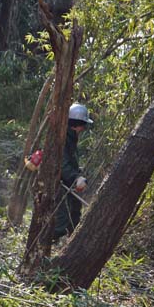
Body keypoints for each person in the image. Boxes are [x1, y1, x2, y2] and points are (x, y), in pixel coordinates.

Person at [53, 102, 92, 242]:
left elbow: (69, 162)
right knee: (61, 222)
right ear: (76, 123)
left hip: (67, 184)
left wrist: (78, 173)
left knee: (74, 217)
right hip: (59, 185)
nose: (83, 128)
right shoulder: (63, 138)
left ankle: (70, 244)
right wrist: (76, 178)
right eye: (83, 125)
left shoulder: (71, 138)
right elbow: (62, 166)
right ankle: (42, 250)